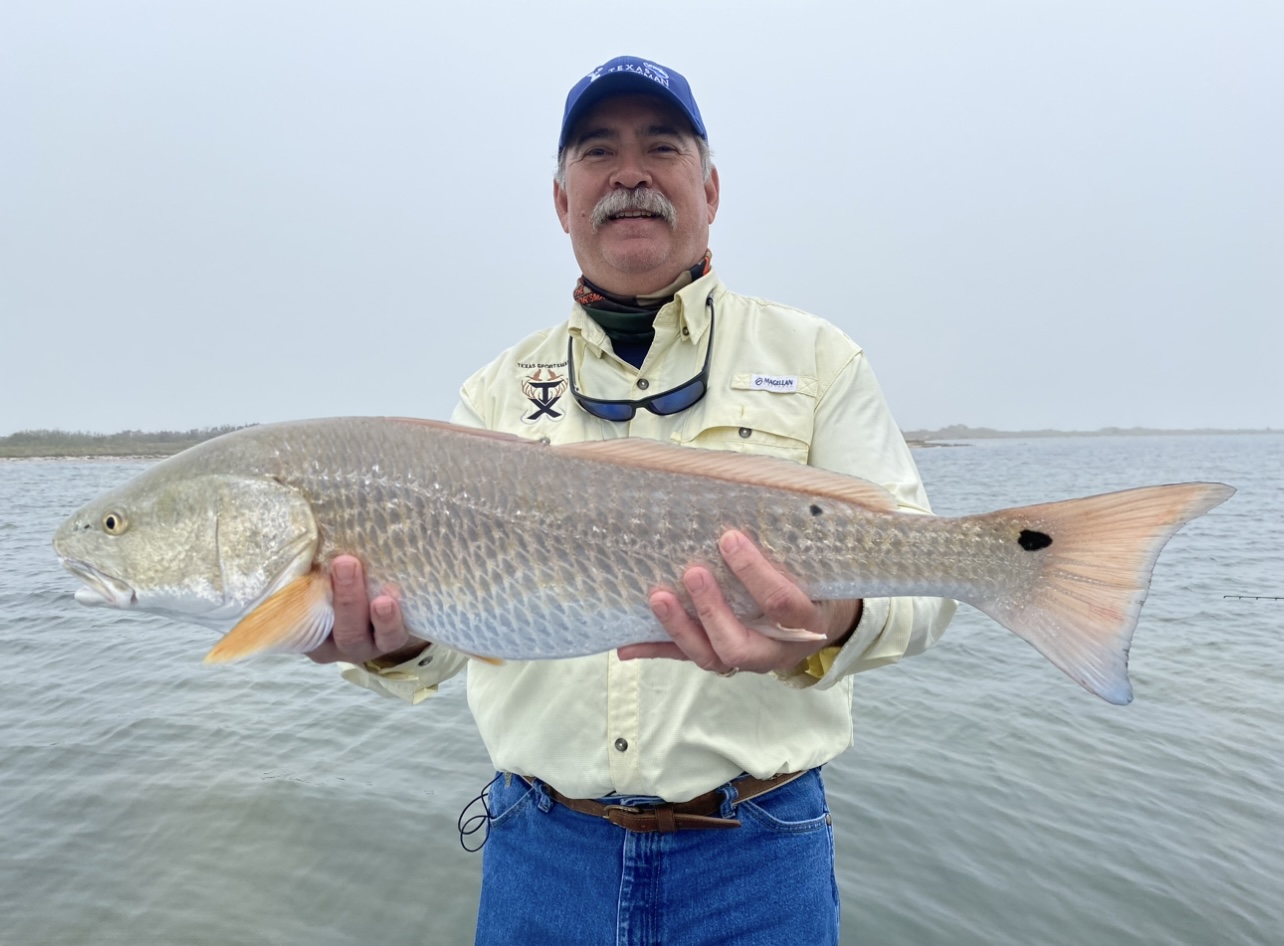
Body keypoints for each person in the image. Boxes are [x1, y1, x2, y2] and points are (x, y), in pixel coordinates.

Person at [310, 56, 956, 945]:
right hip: (540, 848)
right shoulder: (490, 395)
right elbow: (447, 652)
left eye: (663, 146)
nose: (631, 174)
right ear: (561, 199)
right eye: (597, 151)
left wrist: (829, 619)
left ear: (712, 188)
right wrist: (391, 643)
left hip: (757, 852)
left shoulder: (819, 359)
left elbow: (926, 590)